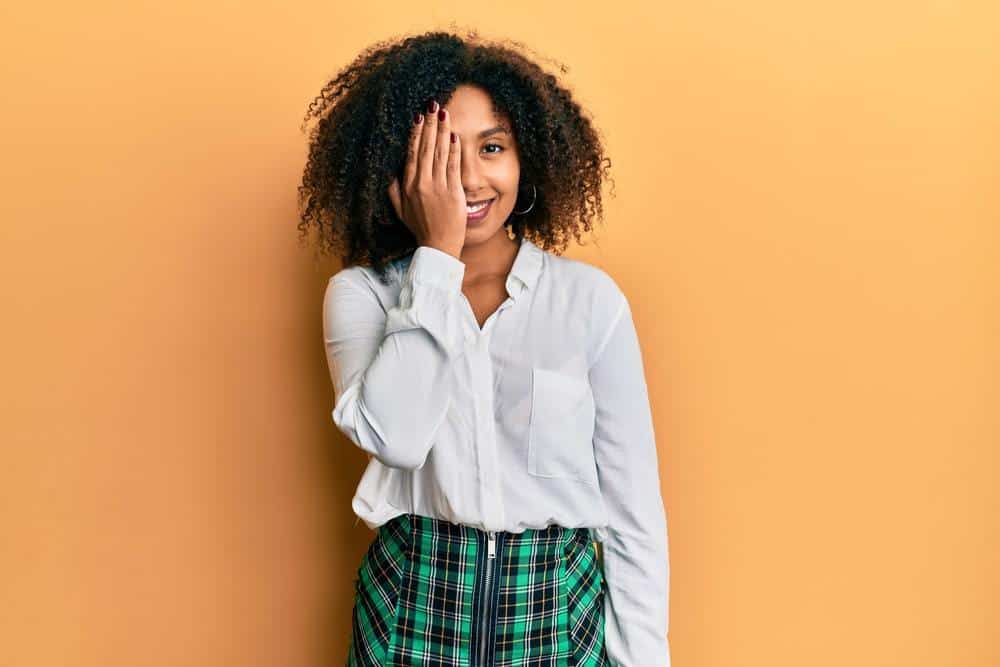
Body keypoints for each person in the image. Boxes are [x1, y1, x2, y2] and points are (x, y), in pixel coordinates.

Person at [299, 28, 670, 667]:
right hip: (409, 611)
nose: (467, 179)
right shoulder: (361, 296)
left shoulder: (587, 303)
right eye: (439, 154)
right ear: (397, 166)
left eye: (491, 147)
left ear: (527, 159)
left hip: (558, 616)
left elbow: (632, 509)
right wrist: (436, 258)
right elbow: (398, 438)